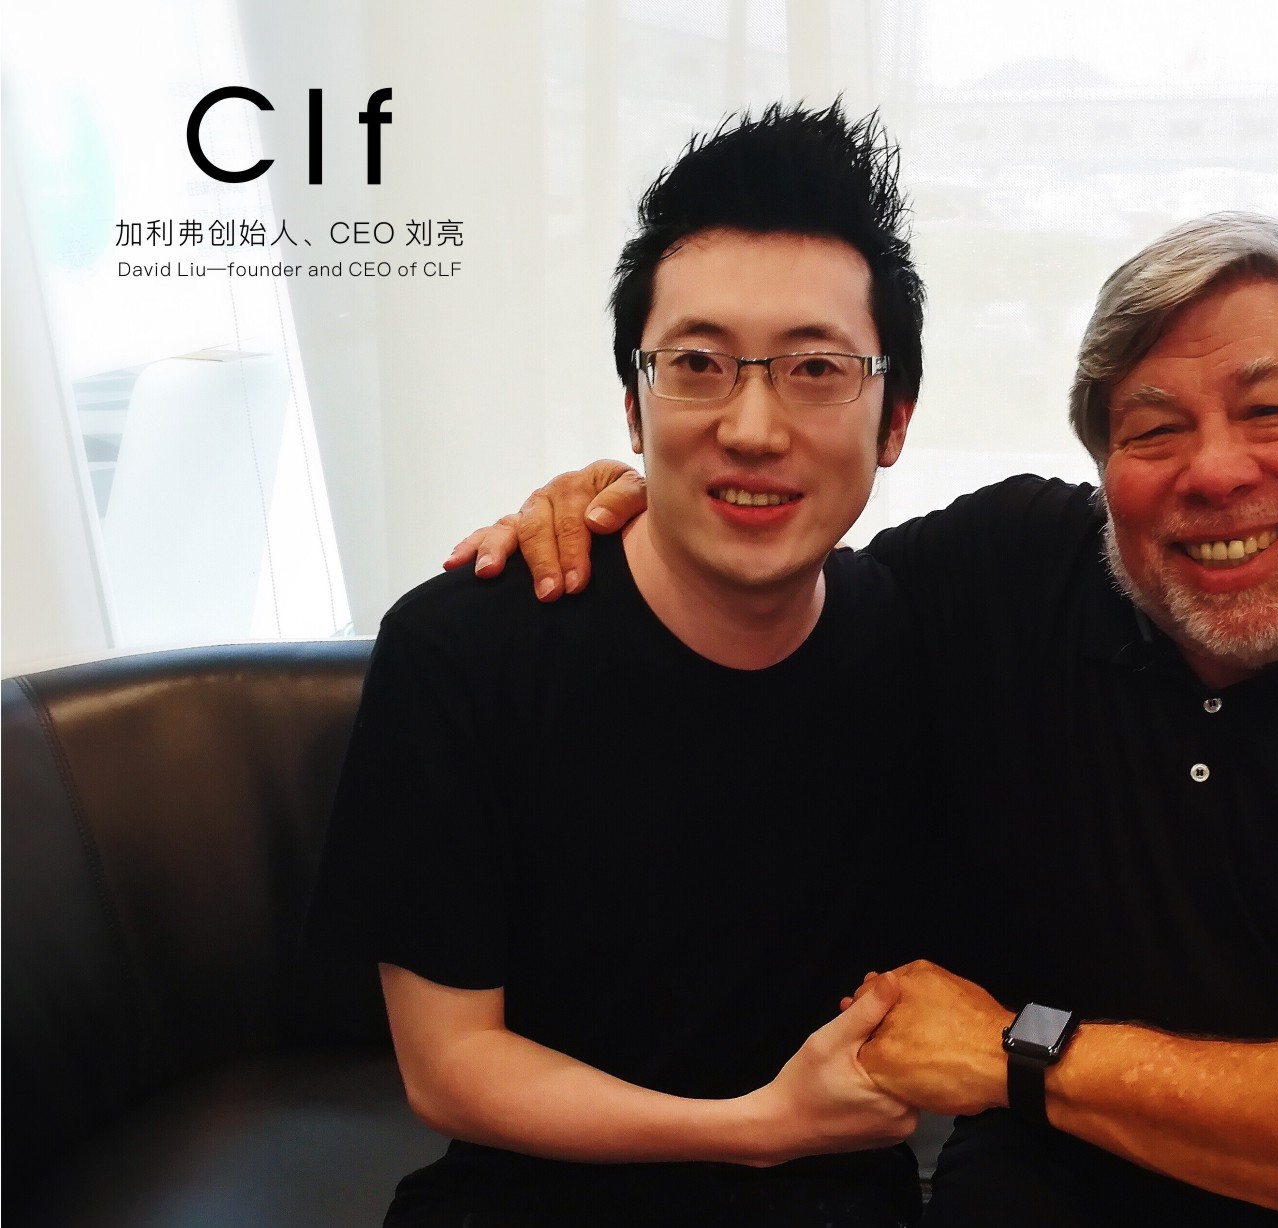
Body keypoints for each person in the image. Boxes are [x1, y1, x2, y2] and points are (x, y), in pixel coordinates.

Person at [461, 212, 1278, 1227]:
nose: (1214, 472)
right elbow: (769, 590)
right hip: (1057, 1190)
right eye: (1153, 429)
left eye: (1271, 413)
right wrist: (630, 512)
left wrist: (1019, 1051)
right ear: (1105, 472)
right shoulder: (1009, 578)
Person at [305, 103, 939, 1228]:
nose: (752, 427)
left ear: (894, 421)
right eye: (697, 364)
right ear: (634, 410)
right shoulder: (464, 651)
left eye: (815, 368)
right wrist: (760, 1128)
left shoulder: (925, 635)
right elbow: (449, 1067)